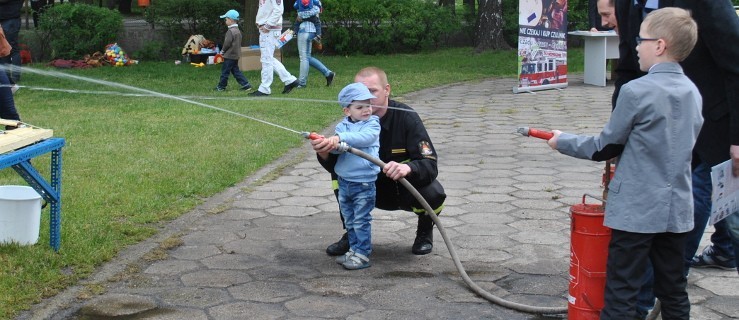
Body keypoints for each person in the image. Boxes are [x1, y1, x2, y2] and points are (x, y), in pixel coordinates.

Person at [548, 8, 701, 318]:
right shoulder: (693, 92)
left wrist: (561, 140)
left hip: (636, 211)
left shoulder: (636, 91)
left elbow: (605, 147)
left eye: (640, 39)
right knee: (673, 289)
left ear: (659, 45)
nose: (635, 45)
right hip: (677, 211)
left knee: (621, 291)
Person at [612, 0, 739, 274]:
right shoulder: (627, 3)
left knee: (721, 211)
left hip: (717, 126)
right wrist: (617, 133)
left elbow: (737, 63)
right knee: (660, 214)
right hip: (663, 132)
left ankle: (668, 279)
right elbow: (626, 67)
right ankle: (649, 296)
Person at [312, 67, 446, 257]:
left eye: (372, 91)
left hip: (399, 189)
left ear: (387, 90)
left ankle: (424, 232)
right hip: (362, 186)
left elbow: (430, 164)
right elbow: (334, 166)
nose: (365, 98)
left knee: (434, 193)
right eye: (359, 91)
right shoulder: (348, 122)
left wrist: (407, 167)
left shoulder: (407, 117)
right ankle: (352, 235)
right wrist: (324, 152)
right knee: (339, 177)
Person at [317, 82, 380, 270]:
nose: (366, 110)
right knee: (350, 219)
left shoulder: (372, 124)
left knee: (361, 220)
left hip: (363, 183)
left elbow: (365, 139)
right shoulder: (342, 126)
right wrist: (329, 145)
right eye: (360, 107)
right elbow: (338, 151)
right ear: (347, 111)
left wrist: (341, 139)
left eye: (368, 105)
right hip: (344, 181)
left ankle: (362, 255)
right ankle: (353, 250)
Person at [248, 0, 300, 97]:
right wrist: (260, 21)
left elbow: (278, 10)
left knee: (266, 59)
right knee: (268, 58)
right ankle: (290, 80)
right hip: (268, 29)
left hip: (270, 30)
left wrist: (268, 25)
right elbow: (267, 9)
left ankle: (265, 88)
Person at [295, 0, 335, 88]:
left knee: (303, 58)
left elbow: (300, 15)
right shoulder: (316, 2)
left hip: (304, 29)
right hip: (313, 30)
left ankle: (302, 83)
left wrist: (299, 18)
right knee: (307, 57)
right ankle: (328, 73)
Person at [214, 10, 253, 92]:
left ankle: (221, 87)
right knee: (236, 71)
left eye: (226, 19)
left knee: (225, 72)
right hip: (236, 55)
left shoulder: (230, 31)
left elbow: (227, 43)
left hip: (229, 55)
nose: (225, 21)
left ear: (231, 20)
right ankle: (246, 85)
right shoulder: (238, 31)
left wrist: (222, 51)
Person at [0, 0, 23, 87]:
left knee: (10, 49)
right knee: (4, 48)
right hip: (6, 18)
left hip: (10, 19)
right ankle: (6, 76)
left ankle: (13, 77)